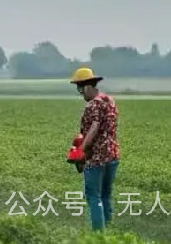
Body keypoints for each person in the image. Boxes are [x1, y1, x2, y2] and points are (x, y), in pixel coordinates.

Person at [70, 67, 120, 231]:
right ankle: (109, 231)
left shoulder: (93, 105)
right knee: (105, 195)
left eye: (79, 89)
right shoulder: (109, 100)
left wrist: (80, 151)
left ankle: (99, 235)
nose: (80, 93)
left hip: (97, 156)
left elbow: (94, 127)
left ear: (86, 86)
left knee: (93, 196)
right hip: (112, 155)